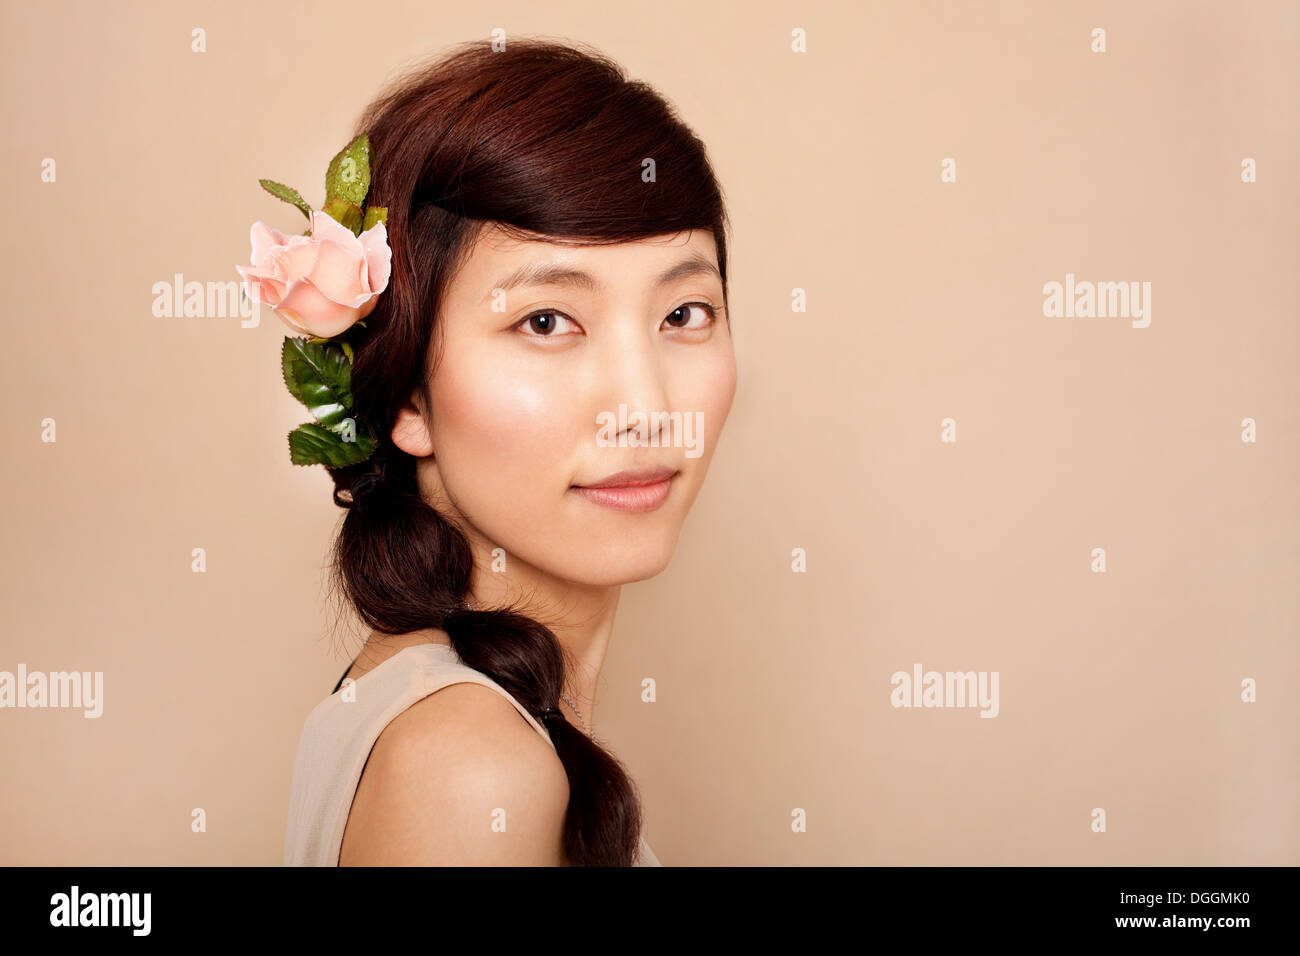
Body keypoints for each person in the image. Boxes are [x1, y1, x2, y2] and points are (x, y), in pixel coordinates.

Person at [268, 38, 737, 866]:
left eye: (683, 314)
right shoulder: (470, 771)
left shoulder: (426, 705)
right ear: (407, 395)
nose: (646, 410)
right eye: (546, 321)